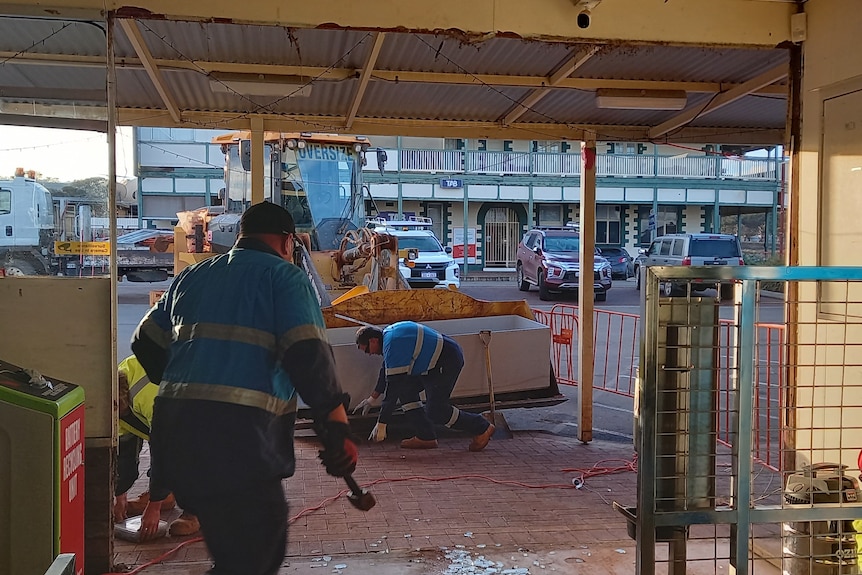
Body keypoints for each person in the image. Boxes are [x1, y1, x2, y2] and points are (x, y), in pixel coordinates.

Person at [131, 201, 359, 575]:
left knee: (237, 552)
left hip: (177, 436)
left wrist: (182, 382)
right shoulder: (285, 278)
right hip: (240, 438)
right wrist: (337, 428)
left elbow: (144, 342)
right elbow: (309, 356)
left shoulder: (194, 276)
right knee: (258, 550)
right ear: (287, 242)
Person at [354, 321, 495, 451]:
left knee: (436, 411)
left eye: (367, 350)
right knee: (405, 390)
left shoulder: (394, 343)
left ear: (373, 340)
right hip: (434, 362)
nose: (370, 354)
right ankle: (425, 436)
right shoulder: (389, 336)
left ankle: (482, 427)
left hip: (446, 360)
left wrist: (382, 423)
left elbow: (392, 388)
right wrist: (372, 399)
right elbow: (386, 371)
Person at [114, 355, 200, 539]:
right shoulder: (115, 403)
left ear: (116, 403)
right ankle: (166, 494)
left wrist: (154, 507)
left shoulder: (151, 397)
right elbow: (124, 452)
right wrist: (119, 493)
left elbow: (167, 450)